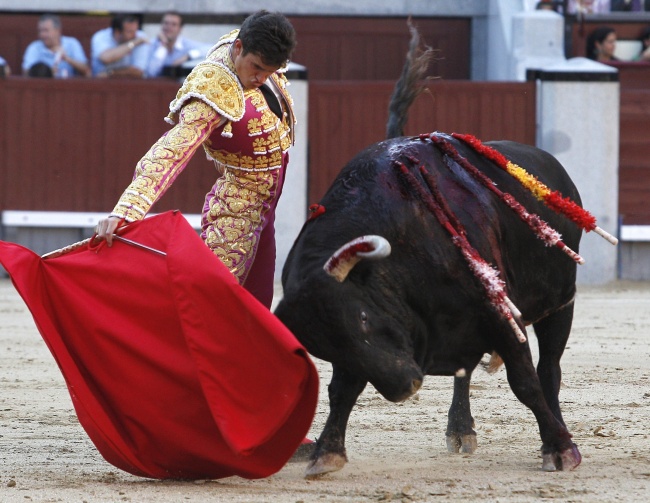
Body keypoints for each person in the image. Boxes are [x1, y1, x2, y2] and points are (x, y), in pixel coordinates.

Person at [96, 10, 297, 309]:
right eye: (256, 67)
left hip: (268, 196)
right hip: (239, 204)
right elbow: (171, 152)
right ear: (238, 48)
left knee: (256, 302)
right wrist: (126, 210)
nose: (260, 79)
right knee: (210, 300)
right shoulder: (209, 93)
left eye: (269, 72)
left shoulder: (249, 43)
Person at [21, 13, 90, 78]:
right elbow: (26, 73)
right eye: (40, 31)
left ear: (57, 31)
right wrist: (47, 72)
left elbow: (86, 71)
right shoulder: (34, 47)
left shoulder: (72, 44)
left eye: (46, 31)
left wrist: (67, 59)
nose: (42, 35)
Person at [146, 11, 211, 78]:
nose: (169, 27)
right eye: (166, 23)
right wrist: (163, 45)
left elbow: (211, 48)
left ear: (180, 28)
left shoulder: (186, 44)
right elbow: (151, 73)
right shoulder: (152, 44)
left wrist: (188, 56)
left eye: (174, 24)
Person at [91, 13, 149, 78]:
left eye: (136, 30)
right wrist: (132, 44)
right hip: (100, 85)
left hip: (130, 84)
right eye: (130, 32)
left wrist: (111, 73)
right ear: (117, 32)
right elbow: (106, 58)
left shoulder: (140, 37)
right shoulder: (101, 36)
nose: (135, 35)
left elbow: (139, 71)